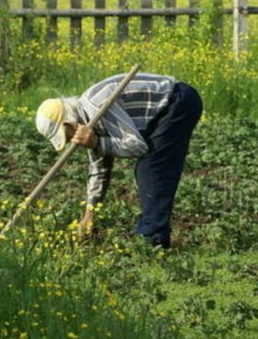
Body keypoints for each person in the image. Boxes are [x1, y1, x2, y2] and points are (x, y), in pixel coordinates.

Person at [34, 72, 203, 248]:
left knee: (151, 169)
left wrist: (97, 142)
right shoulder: (89, 121)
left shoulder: (97, 107)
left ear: (69, 124)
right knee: (149, 167)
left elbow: (137, 146)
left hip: (178, 101)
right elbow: (99, 169)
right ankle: (153, 237)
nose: (70, 141)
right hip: (166, 109)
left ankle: (152, 242)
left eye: (66, 136)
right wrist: (89, 215)